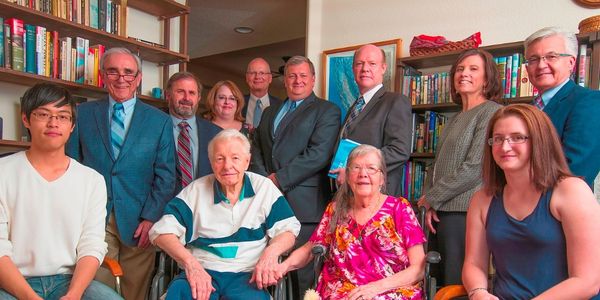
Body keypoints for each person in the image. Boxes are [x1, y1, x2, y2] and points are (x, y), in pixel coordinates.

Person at [66, 48, 176, 300]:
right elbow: (72, 166)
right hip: (94, 216)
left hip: (140, 221)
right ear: (104, 75)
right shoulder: (82, 114)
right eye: (113, 71)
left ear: (138, 79)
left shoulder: (159, 121)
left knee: (134, 290)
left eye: (128, 72)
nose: (121, 78)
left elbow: (166, 175)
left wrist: (151, 217)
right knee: (97, 289)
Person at [463, 104, 600, 299]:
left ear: (540, 142)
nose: (505, 146)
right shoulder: (482, 199)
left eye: (517, 137)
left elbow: (588, 282)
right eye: (498, 139)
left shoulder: (572, 191)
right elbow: (474, 263)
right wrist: (478, 292)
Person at [0, 83, 121, 299]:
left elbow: (91, 245)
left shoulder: (91, 180)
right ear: (26, 119)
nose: (53, 123)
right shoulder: (4, 172)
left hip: (69, 282)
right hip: (12, 282)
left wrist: (74, 294)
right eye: (43, 114)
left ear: (72, 126)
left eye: (63, 116)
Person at [149, 129, 301, 300]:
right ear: (212, 162)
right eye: (220, 159)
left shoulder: (264, 188)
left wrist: (271, 253)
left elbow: (288, 231)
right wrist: (191, 265)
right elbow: (162, 232)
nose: (227, 166)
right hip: (202, 269)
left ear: (247, 161)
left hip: (247, 274)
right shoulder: (195, 191)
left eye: (235, 158)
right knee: (182, 294)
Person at [278, 145, 426, 299]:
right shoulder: (336, 210)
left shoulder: (399, 208)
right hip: (342, 291)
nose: (363, 174)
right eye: (356, 168)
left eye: (371, 168)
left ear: (382, 178)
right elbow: (310, 249)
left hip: (390, 289)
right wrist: (282, 267)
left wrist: (375, 288)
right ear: (348, 177)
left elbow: (418, 269)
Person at [250, 55, 341, 299]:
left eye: (303, 76)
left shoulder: (327, 110)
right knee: (267, 272)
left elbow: (318, 154)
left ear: (312, 79)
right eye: (292, 76)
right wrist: (262, 182)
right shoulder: (270, 112)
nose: (297, 80)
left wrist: (277, 179)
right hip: (266, 204)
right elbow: (256, 146)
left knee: (303, 278)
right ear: (284, 80)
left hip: (305, 208)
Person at [416, 49, 502, 286]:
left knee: (457, 283)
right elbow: (435, 164)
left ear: (487, 78)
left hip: (465, 212)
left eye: (473, 69)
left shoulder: (491, 112)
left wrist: (432, 198)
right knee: (436, 281)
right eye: (460, 69)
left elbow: (475, 167)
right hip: (440, 211)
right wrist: (429, 200)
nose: (464, 73)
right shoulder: (456, 117)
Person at [331, 44, 412, 197]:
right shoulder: (355, 106)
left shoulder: (395, 101)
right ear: (353, 69)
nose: (365, 68)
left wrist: (354, 170)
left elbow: (399, 150)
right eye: (359, 63)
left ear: (383, 68)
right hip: (349, 196)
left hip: (378, 198)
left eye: (372, 63)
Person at [524, 26, 600, 190]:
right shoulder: (526, 111)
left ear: (571, 62)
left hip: (558, 209)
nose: (541, 65)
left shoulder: (589, 102)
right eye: (533, 59)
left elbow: (576, 171)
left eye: (551, 56)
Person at [165, 71, 221, 192]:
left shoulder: (216, 134)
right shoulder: (154, 126)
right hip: (162, 207)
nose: (187, 98)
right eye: (180, 92)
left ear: (198, 98)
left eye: (192, 93)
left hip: (204, 206)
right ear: (168, 95)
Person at [243, 58, 282, 130]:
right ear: (247, 77)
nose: (257, 77)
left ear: (270, 78)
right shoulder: (237, 103)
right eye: (253, 73)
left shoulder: (281, 106)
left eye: (262, 73)